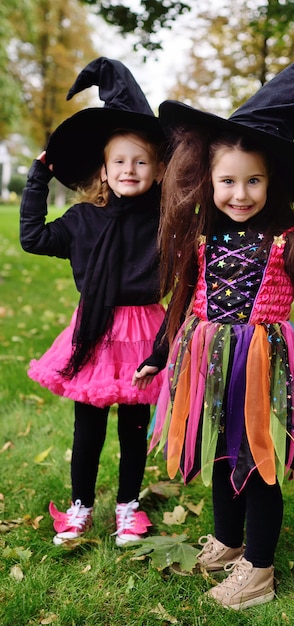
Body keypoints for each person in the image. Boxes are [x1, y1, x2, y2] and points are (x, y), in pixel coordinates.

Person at [132, 40, 294, 609]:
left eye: (253, 181)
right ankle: (227, 541)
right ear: (209, 178)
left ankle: (260, 569)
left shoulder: (293, 241)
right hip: (207, 359)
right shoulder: (202, 235)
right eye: (228, 182)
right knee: (222, 453)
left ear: (272, 182)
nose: (239, 194)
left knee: (259, 461)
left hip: (264, 365)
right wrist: (157, 351)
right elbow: (182, 303)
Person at [20, 58, 166, 546]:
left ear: (158, 169)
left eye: (141, 161)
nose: (130, 168)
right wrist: (37, 181)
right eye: (120, 160)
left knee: (134, 429)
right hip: (95, 332)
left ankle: (128, 506)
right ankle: (81, 506)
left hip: (144, 330)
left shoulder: (164, 222)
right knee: (89, 427)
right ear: (104, 168)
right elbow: (34, 238)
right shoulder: (83, 219)